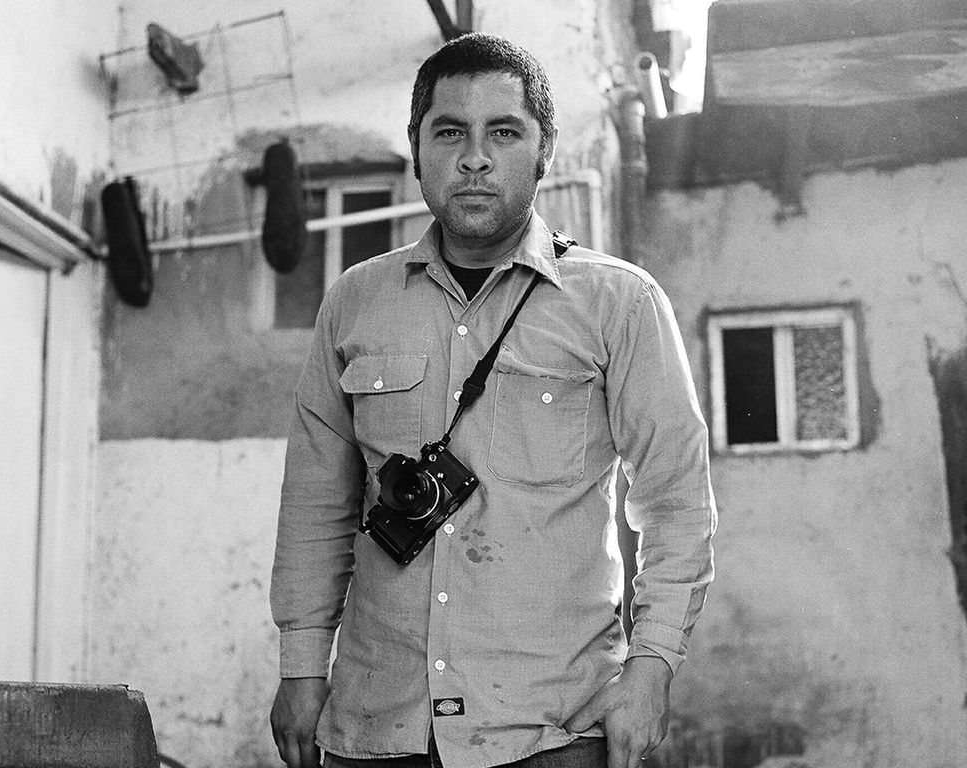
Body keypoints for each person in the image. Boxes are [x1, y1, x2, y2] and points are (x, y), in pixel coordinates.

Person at [270, 32, 716, 768]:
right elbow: (315, 501)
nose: (474, 157)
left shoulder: (619, 302)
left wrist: (652, 666)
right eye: (450, 132)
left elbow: (676, 500)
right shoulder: (354, 302)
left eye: (503, 132)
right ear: (416, 148)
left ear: (544, 151)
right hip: (380, 726)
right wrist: (299, 667)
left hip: (552, 729)